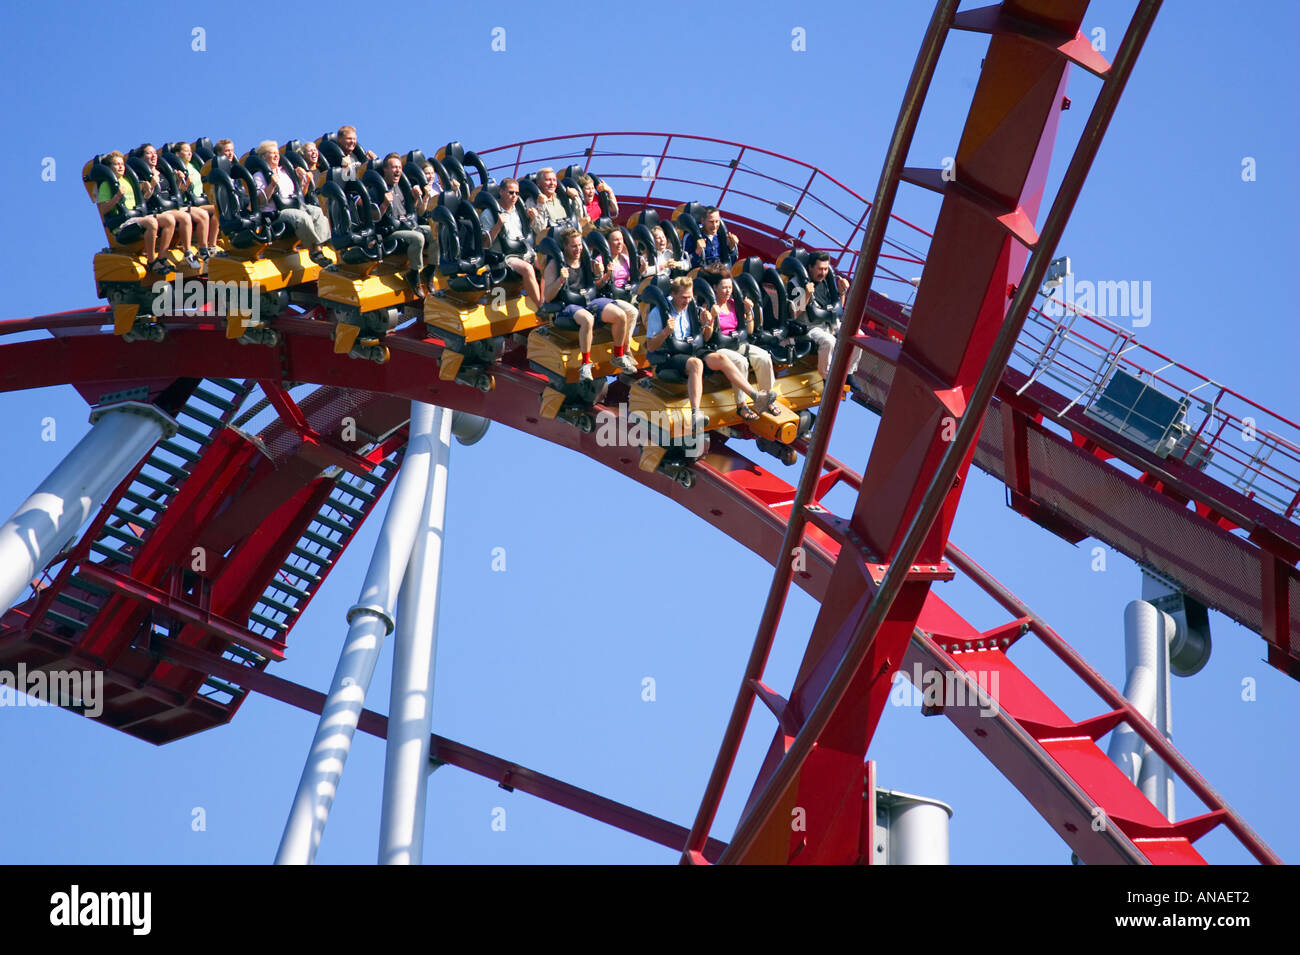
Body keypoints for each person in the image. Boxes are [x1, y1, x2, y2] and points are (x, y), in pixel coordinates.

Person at [645, 276, 768, 430]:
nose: (687, 301)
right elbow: (650, 346)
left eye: (690, 297)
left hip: (693, 349)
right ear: (674, 294)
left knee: (721, 358)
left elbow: (704, 338)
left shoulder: (692, 308)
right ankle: (696, 414)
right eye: (683, 297)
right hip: (671, 354)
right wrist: (665, 332)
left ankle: (756, 396)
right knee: (696, 364)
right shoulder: (658, 313)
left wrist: (707, 324)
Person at [542, 228, 637, 380]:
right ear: (565, 246)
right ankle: (585, 364)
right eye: (574, 246)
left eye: (579, 245)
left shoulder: (586, 260)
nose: (578, 249)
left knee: (620, 314)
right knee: (588, 319)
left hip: (589, 301)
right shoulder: (555, 264)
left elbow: (596, 287)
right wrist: (560, 280)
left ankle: (618, 355)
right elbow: (547, 296)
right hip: (568, 305)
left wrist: (599, 274)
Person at [704, 275, 777, 420]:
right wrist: (711, 318)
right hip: (720, 347)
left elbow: (749, 331)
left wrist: (749, 311)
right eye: (724, 287)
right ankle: (741, 405)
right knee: (740, 362)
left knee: (764, 357)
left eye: (730, 287)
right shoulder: (708, 307)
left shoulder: (734, 304)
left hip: (739, 343)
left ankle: (766, 398)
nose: (727, 291)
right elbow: (706, 337)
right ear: (715, 288)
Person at [249, 141, 331, 266]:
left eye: (277, 153)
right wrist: (272, 185)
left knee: (316, 211)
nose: (276, 156)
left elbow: (300, 195)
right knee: (301, 217)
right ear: (263, 157)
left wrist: (304, 181)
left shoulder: (285, 171)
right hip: (275, 213)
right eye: (272, 153)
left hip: (294, 206)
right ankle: (315, 251)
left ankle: (319, 246)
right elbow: (259, 201)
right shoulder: (259, 175)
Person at [373, 153, 435, 297]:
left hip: (407, 226)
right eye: (394, 167)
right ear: (385, 170)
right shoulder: (377, 189)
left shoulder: (401, 187)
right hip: (389, 233)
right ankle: (413, 275)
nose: (397, 170)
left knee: (435, 232)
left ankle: (429, 272)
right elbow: (371, 218)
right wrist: (384, 204)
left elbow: (412, 212)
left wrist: (415, 198)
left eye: (399, 167)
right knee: (418, 238)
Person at [790, 250, 858, 379]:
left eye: (826, 269)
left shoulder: (826, 281)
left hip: (829, 323)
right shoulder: (796, 283)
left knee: (857, 333)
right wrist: (807, 295)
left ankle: (848, 373)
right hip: (809, 327)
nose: (823, 273)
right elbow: (794, 314)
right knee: (829, 341)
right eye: (820, 269)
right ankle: (826, 378)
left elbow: (837, 310)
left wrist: (842, 292)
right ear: (810, 267)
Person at [95, 151, 166, 271]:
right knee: (151, 223)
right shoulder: (106, 185)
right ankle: (152, 261)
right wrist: (117, 197)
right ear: (109, 168)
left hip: (137, 218)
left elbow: (144, 199)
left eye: (122, 164)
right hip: (122, 225)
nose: (121, 167)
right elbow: (103, 209)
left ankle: (163, 257)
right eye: (116, 164)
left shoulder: (129, 181)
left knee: (168, 220)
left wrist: (151, 187)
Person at [480, 177, 542, 308]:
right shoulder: (488, 213)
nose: (514, 196)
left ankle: (548, 301)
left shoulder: (518, 210)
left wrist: (531, 220)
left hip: (524, 251)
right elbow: (485, 244)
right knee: (527, 269)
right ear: (501, 192)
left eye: (517, 193)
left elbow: (524, 233)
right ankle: (541, 308)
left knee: (545, 263)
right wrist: (498, 225)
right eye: (511, 192)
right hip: (505, 256)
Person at [136, 144, 199, 270]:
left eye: (154, 153)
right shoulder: (140, 177)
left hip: (168, 208)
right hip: (155, 210)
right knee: (184, 217)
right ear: (142, 159)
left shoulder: (162, 172)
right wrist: (151, 186)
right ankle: (165, 257)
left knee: (186, 216)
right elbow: (143, 199)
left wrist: (180, 183)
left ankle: (187, 251)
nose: (153, 156)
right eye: (149, 153)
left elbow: (174, 194)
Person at [172, 141, 221, 257]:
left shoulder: (194, 166)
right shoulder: (176, 171)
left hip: (200, 203)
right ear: (177, 154)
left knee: (219, 208)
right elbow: (177, 192)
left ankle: (212, 243)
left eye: (190, 150)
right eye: (186, 150)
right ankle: (206, 248)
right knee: (212, 211)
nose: (189, 153)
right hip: (186, 205)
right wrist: (182, 183)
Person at [525, 167, 585, 241]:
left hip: (571, 236)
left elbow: (579, 217)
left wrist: (576, 198)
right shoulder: (531, 202)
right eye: (548, 180)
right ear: (539, 183)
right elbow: (540, 230)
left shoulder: (562, 197)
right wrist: (541, 205)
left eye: (554, 180)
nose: (552, 183)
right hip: (550, 241)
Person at [688, 206, 738, 273]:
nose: (714, 226)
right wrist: (697, 252)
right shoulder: (692, 237)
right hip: (701, 274)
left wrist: (732, 248)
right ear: (703, 221)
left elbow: (731, 262)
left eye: (717, 221)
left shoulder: (722, 237)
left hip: (720, 273)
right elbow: (685, 262)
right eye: (711, 222)